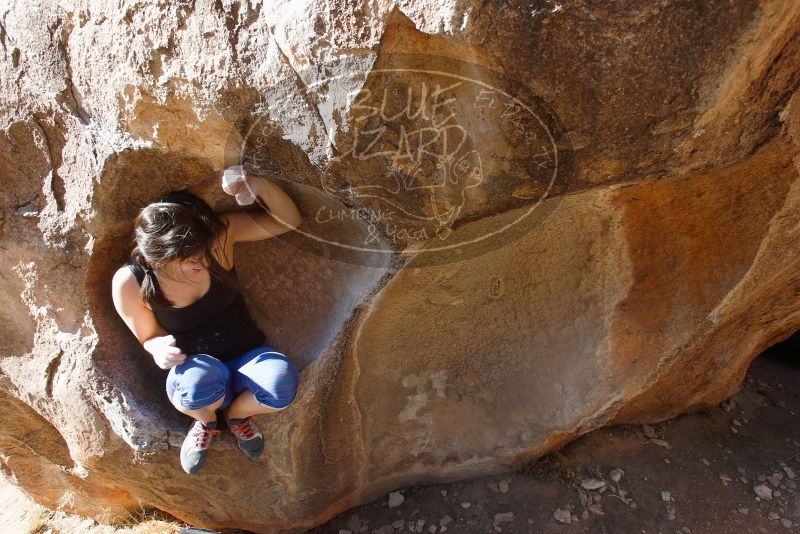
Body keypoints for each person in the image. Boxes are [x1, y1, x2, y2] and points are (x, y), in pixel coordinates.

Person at [111, 166, 303, 475]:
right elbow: (148, 337)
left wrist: (258, 185)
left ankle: (238, 417)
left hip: (247, 357)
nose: (203, 262)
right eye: (189, 261)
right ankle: (206, 422)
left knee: (281, 385)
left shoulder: (217, 241)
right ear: (159, 260)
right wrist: (158, 349)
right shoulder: (130, 282)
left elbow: (288, 220)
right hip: (196, 370)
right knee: (200, 384)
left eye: (202, 252)